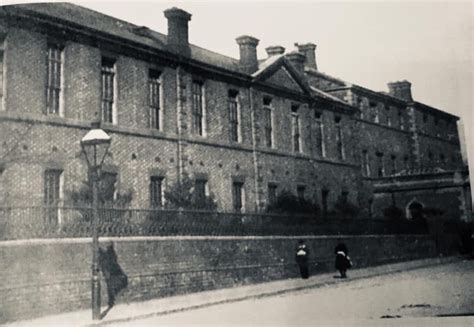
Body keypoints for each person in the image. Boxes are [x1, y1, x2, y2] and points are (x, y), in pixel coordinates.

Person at [99, 242, 128, 307]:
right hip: (109, 271)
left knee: (114, 282)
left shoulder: (110, 252)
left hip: (111, 270)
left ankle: (112, 299)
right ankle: (111, 299)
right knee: (111, 283)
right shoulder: (105, 253)